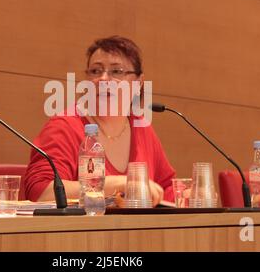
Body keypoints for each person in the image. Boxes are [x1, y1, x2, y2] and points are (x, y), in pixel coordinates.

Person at [24, 36, 176, 206]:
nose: (103, 79)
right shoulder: (65, 126)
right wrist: (117, 184)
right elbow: (40, 192)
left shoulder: (141, 126)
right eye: (96, 71)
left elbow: (166, 188)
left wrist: (187, 192)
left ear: (138, 83)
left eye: (116, 71)